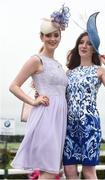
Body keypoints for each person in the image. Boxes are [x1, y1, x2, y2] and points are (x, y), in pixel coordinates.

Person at [9, 5, 70, 179]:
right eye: (48, 35)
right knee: (50, 172)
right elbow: (13, 86)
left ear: (60, 36)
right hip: (46, 118)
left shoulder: (59, 64)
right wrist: (33, 101)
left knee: (51, 170)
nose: (52, 39)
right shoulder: (36, 60)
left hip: (59, 120)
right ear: (41, 37)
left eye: (56, 35)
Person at [63, 12, 105, 179]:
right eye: (81, 42)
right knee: (69, 172)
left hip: (89, 126)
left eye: (88, 43)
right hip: (68, 127)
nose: (84, 46)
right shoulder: (68, 73)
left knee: (88, 172)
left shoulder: (99, 70)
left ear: (94, 47)